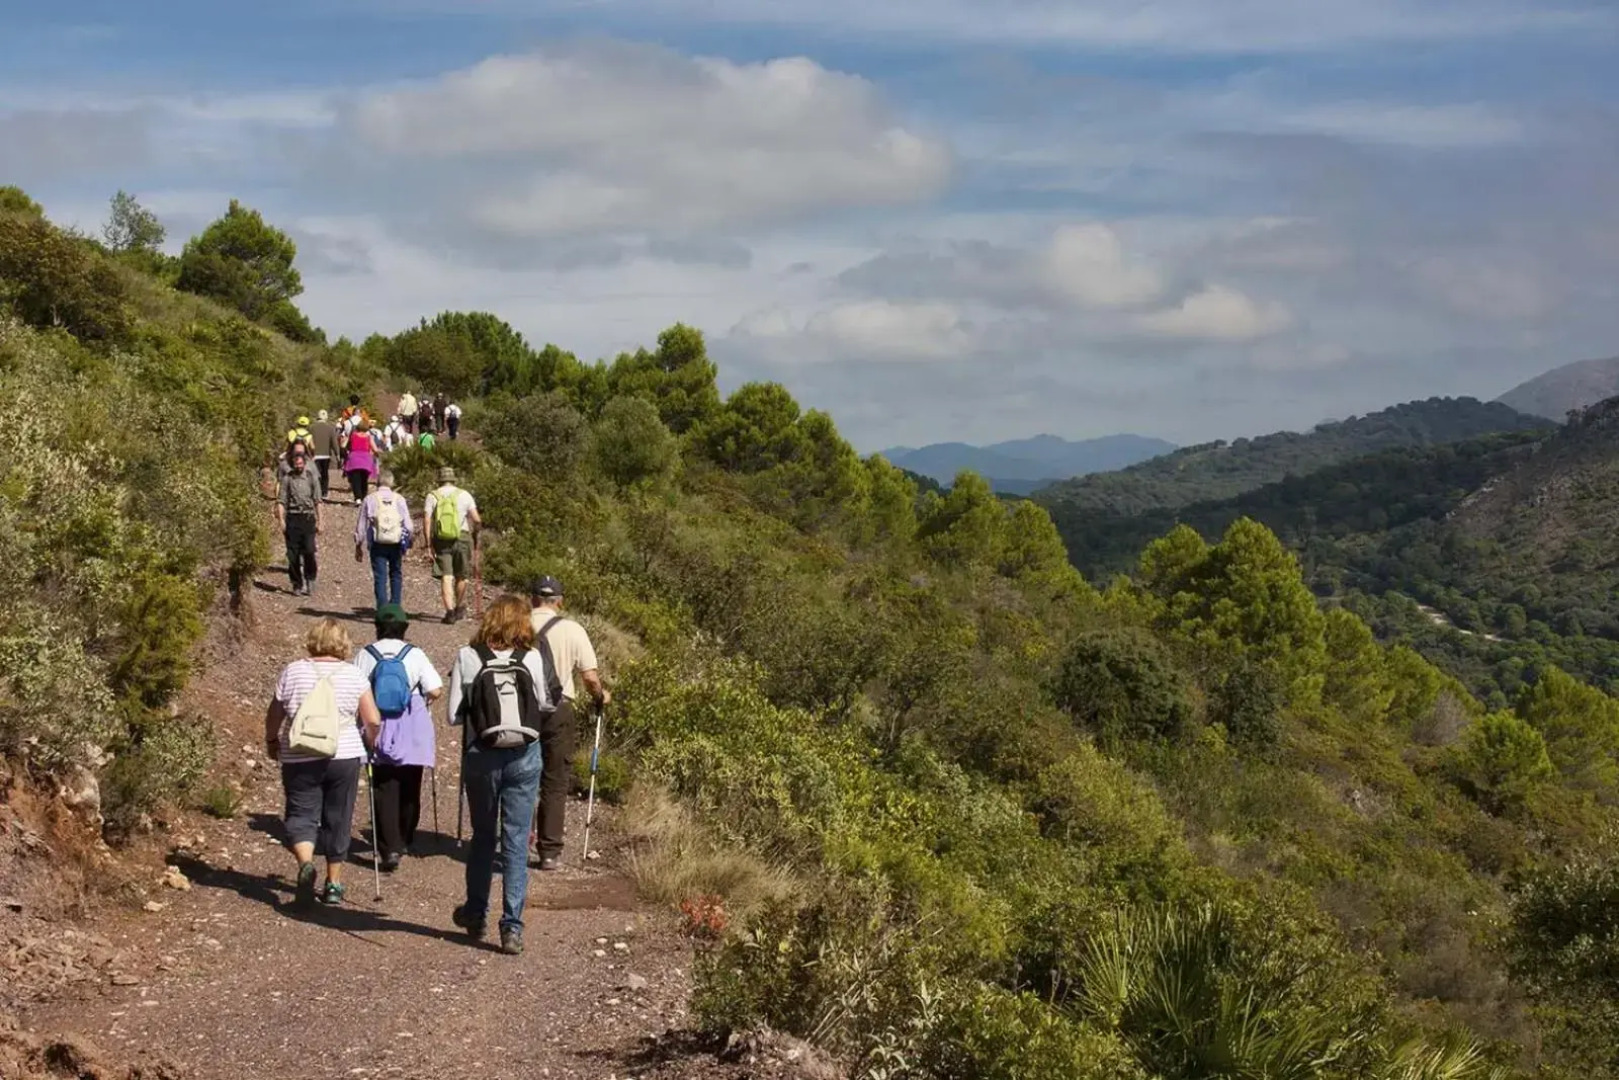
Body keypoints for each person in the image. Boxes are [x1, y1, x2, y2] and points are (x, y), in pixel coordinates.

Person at [447, 595, 553, 954]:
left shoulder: (468, 656)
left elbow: (453, 716)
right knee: (516, 840)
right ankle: (512, 927)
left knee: (482, 837)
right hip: (524, 754)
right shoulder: (533, 657)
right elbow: (542, 703)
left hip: (482, 755)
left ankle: (476, 913)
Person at [264, 618, 381, 909]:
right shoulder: (354, 675)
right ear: (343, 643)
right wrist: (371, 741)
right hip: (344, 754)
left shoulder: (293, 671)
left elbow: (275, 713)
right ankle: (333, 884)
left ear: (312, 640)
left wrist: (271, 740)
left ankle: (305, 863)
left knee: (301, 813)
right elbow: (373, 720)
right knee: (338, 817)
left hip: (300, 752)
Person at [527, 576, 611, 870]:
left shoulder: (516, 624)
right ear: (559, 601)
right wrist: (601, 696)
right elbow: (589, 677)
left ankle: (514, 838)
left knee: (518, 773)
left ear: (533, 598)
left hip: (520, 708)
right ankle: (548, 852)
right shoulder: (573, 630)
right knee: (554, 778)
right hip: (559, 710)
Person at [354, 604, 443, 873]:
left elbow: (356, 689)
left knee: (383, 786)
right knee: (410, 783)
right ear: (404, 628)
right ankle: (405, 838)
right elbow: (436, 689)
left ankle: (389, 847)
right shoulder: (414, 654)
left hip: (378, 722)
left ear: (378, 627)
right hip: (411, 721)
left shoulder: (365, 654)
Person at [422, 466, 480, 624]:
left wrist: (428, 544)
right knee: (462, 575)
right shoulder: (464, 494)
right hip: (462, 536)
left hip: (441, 539)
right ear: (453, 479)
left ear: (439, 480)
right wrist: (475, 535)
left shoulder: (432, 496)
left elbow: (427, 520)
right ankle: (459, 607)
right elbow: (476, 519)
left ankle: (449, 612)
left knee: (446, 576)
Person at [355, 468, 412, 611]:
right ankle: (395, 606)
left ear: (378, 482)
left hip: (377, 542)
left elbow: (361, 525)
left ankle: (382, 608)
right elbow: (409, 526)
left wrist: (358, 544)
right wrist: (408, 541)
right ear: (391, 483)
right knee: (396, 573)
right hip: (395, 541)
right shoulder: (399, 499)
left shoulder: (370, 499)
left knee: (380, 576)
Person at [275, 446, 323, 597]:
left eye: (301, 464)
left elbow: (318, 500)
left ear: (304, 463)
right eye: (296, 464)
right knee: (293, 554)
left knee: (309, 550)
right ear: (292, 463)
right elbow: (281, 501)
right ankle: (296, 583)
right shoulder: (287, 479)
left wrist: (321, 521)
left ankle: (310, 578)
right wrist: (281, 520)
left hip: (308, 517)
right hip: (293, 518)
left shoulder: (311, 478)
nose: (299, 466)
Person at [344, 417, 379, 504]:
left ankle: (358, 498)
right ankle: (363, 497)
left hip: (354, 459)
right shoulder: (368, 437)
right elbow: (375, 449)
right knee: (364, 479)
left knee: (355, 480)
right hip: (366, 460)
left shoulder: (353, 436)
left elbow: (344, 445)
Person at [310, 410, 341, 499]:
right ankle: (324, 493)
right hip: (326, 455)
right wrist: (337, 454)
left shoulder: (311, 428)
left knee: (315, 474)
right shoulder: (330, 428)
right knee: (324, 474)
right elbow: (334, 443)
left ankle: (316, 492)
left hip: (314, 455)